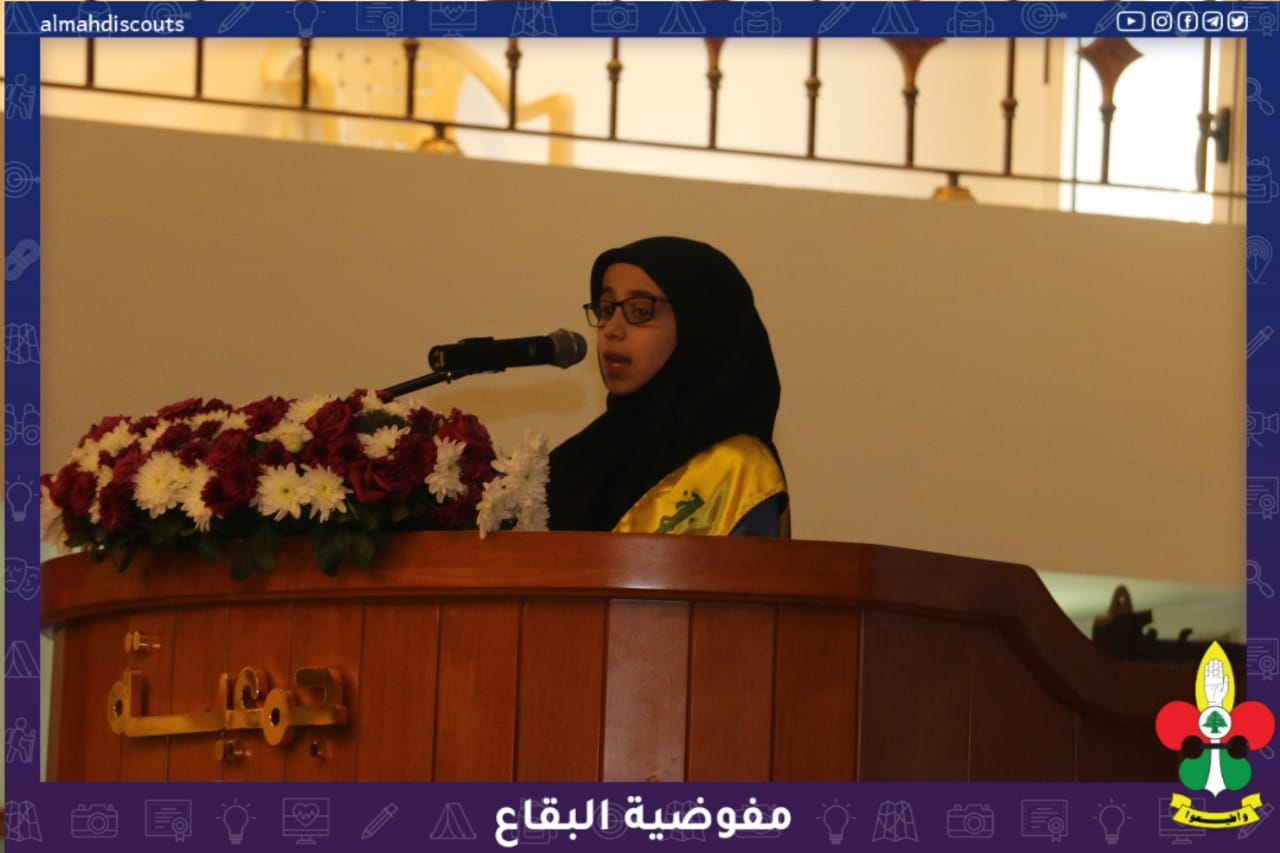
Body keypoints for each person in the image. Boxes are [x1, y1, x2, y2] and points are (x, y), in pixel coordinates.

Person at [547, 236, 788, 536]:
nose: (612, 330)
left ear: (698, 326)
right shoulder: (573, 465)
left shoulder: (737, 469)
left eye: (640, 311)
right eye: (606, 309)